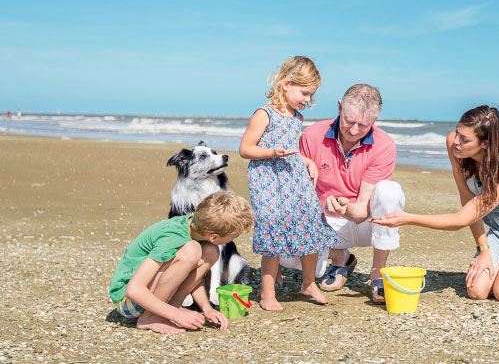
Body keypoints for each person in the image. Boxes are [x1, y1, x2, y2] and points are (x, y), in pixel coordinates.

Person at [375, 105, 499, 301]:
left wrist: (408, 218)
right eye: (457, 133)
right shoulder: (454, 146)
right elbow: (467, 200)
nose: (456, 142)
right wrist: (484, 250)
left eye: (465, 140)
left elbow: (462, 219)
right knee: (477, 291)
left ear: (485, 144)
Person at [238, 55, 338, 310]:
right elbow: (246, 149)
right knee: (273, 232)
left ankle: (308, 283)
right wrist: (272, 152)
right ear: (285, 83)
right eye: (304, 93)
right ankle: (267, 293)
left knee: (310, 224)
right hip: (268, 181)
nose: (307, 100)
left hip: (294, 177)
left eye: (310, 95)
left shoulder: (297, 117)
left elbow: (292, 149)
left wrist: (307, 161)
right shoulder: (264, 114)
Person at [300, 84, 404, 303]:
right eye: (349, 121)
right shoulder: (311, 135)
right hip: (327, 224)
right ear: (339, 107)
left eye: (363, 125)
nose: (354, 130)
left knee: (389, 190)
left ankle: (377, 272)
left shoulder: (385, 145)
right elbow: (301, 195)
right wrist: (323, 208)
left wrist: (345, 208)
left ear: (375, 120)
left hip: (368, 222)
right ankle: (340, 258)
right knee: (283, 253)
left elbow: (360, 212)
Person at [108, 191, 253, 334]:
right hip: (127, 301)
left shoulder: (196, 227)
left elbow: (193, 275)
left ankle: (169, 308)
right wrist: (175, 315)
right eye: (234, 236)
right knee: (192, 250)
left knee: (210, 251)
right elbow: (133, 290)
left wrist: (206, 308)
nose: (234, 239)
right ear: (214, 236)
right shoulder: (171, 238)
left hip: (146, 297)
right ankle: (150, 317)